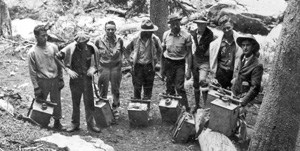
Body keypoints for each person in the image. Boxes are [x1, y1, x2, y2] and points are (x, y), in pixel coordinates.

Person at [58, 32, 101, 133]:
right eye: (80, 43)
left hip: (87, 79)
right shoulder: (70, 48)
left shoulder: (92, 48)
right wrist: (67, 70)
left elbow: (97, 60)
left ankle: (91, 124)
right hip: (75, 79)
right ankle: (75, 123)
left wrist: (93, 68)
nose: (82, 45)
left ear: (87, 41)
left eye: (84, 42)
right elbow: (57, 57)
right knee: (75, 102)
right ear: (76, 42)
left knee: (89, 103)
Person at [28, 25, 64, 130]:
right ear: (36, 36)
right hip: (42, 80)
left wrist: (61, 78)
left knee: (56, 100)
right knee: (41, 101)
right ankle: (40, 123)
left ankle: (57, 122)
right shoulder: (32, 52)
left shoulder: (53, 47)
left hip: (55, 79)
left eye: (46, 35)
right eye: (42, 36)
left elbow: (59, 63)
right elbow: (32, 71)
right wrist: (36, 87)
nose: (45, 38)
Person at [161, 14, 192, 112]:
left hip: (180, 63)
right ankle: (171, 109)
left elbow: (189, 54)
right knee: (169, 86)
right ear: (169, 24)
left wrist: (188, 70)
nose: (175, 26)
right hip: (168, 63)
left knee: (179, 87)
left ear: (180, 23)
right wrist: (162, 69)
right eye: (172, 24)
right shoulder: (166, 34)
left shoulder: (186, 35)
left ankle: (186, 108)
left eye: (177, 23)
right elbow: (163, 52)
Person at [125, 19, 162, 100]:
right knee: (137, 87)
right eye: (148, 31)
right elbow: (126, 50)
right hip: (138, 66)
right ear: (143, 31)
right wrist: (130, 60)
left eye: (151, 31)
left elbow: (160, 51)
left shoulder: (155, 39)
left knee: (148, 88)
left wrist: (156, 61)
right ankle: (137, 107)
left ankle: (146, 107)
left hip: (149, 66)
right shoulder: (135, 39)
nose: (150, 33)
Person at [94, 21, 124, 119]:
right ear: (105, 29)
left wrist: (120, 64)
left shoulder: (119, 40)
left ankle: (115, 109)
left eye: (112, 29)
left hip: (116, 67)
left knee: (115, 89)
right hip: (104, 67)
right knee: (103, 88)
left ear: (115, 30)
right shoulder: (98, 40)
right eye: (108, 29)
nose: (110, 31)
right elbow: (95, 54)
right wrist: (96, 67)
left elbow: (122, 52)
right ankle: (103, 109)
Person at [209, 15, 243, 89]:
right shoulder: (217, 43)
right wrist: (213, 75)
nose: (226, 30)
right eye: (224, 29)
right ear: (221, 28)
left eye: (228, 28)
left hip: (233, 73)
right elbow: (213, 59)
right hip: (221, 72)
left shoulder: (240, 41)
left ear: (232, 26)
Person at [231, 34, 263, 108]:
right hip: (234, 94)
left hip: (244, 100)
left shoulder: (257, 65)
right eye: (243, 45)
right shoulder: (241, 58)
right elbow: (238, 73)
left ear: (253, 47)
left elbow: (255, 88)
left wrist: (243, 102)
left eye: (248, 45)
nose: (245, 48)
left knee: (238, 117)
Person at [191, 17, 214, 111]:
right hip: (195, 59)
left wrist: (194, 39)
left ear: (206, 24)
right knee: (196, 83)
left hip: (204, 60)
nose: (200, 26)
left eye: (202, 24)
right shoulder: (194, 33)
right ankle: (196, 105)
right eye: (198, 24)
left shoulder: (209, 34)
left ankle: (206, 106)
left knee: (202, 80)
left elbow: (202, 49)